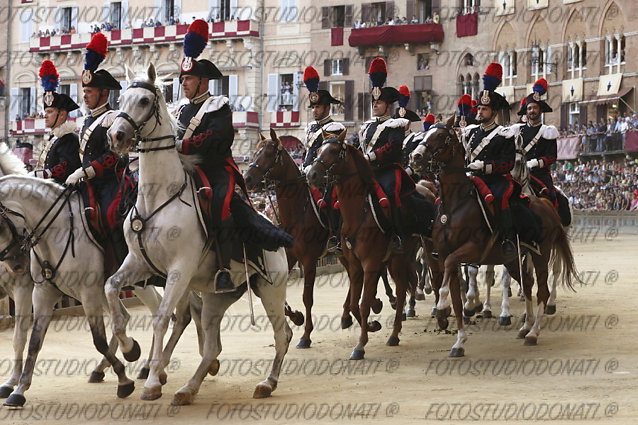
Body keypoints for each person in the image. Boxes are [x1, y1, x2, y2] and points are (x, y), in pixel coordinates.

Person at [174, 20, 292, 292]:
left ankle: (224, 267)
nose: (183, 84)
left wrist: (184, 146)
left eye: (188, 79)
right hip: (185, 170)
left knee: (220, 204)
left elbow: (217, 138)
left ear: (203, 81)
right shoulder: (180, 111)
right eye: (182, 79)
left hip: (216, 170)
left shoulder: (219, 107)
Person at [65, 33, 129, 263]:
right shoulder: (87, 120)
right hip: (87, 184)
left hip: (109, 183)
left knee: (110, 217)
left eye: (89, 92)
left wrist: (86, 171)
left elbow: (115, 157)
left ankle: (118, 260)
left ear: (104, 93)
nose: (85, 96)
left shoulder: (113, 118)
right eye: (84, 92)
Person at [358, 58, 433, 249]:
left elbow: (392, 147)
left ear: (388, 105)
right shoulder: (366, 127)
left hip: (388, 171)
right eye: (373, 101)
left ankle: (397, 235)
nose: (375, 105)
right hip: (368, 172)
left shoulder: (395, 125)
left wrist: (371, 157)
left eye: (379, 102)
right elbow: (360, 147)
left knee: (391, 196)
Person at [461, 63, 517, 261]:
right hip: (471, 179)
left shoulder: (504, 134)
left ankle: (507, 240)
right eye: (479, 108)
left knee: (501, 199)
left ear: (493, 112)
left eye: (484, 109)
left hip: (494, 181)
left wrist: (484, 167)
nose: (480, 112)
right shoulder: (470, 133)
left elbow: (507, 164)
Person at [301, 66, 344, 254]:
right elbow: (308, 151)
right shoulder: (310, 128)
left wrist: (311, 168)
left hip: (326, 177)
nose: (315, 110)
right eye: (313, 107)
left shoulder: (335, 127)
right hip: (307, 173)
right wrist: (303, 167)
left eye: (318, 107)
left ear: (327, 108)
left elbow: (327, 155)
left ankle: (334, 236)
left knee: (328, 202)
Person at [30, 60, 81, 184]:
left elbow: (66, 167)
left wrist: (44, 174)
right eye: (45, 112)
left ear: (62, 114)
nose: (45, 116)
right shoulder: (54, 138)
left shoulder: (69, 138)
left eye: (50, 112)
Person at [513, 78, 559, 207]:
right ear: (526, 111)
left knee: (550, 196)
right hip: (517, 172)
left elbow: (552, 156)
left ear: (540, 110)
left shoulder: (547, 131)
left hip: (538, 174)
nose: (532, 110)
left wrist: (535, 163)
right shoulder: (517, 130)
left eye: (535, 108)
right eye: (529, 108)